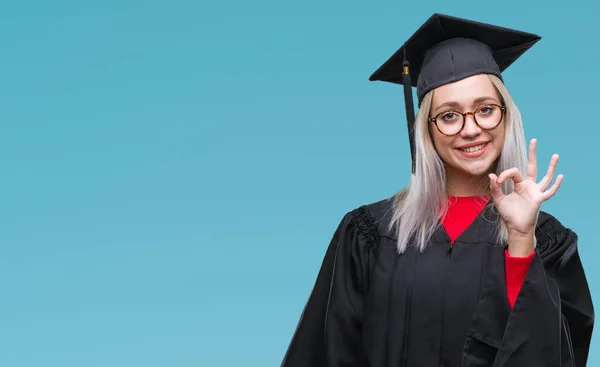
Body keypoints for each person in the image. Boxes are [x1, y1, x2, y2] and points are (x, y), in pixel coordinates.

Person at [280, 13, 595, 367]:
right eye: (448, 115)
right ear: (425, 130)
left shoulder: (547, 240)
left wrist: (522, 241)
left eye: (486, 109)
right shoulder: (368, 235)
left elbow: (553, 355)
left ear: (507, 116)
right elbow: (326, 353)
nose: (471, 129)